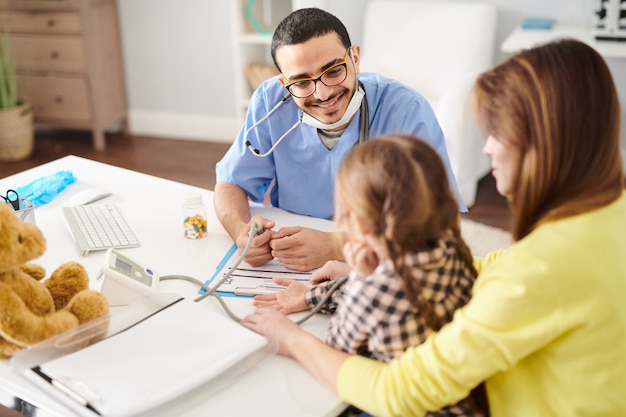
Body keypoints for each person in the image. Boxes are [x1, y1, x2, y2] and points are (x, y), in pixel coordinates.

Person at [241, 38, 626, 417]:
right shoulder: (607, 214)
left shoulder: (543, 271)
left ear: (545, 142)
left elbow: (400, 392)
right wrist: (385, 273)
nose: (487, 148)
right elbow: (501, 268)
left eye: (497, 134)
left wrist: (291, 339)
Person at [214, 8, 466, 272]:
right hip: (290, 262)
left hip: (379, 263)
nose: (322, 93)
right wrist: (241, 233)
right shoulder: (270, 102)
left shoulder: (406, 111)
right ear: (284, 82)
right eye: (301, 82)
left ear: (355, 58)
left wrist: (337, 246)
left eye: (333, 71)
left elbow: (444, 225)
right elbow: (230, 183)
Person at [252, 134, 485, 416]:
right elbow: (387, 293)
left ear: (359, 224)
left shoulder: (374, 289)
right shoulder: (447, 243)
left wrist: (286, 334)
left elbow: (338, 354)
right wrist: (314, 295)